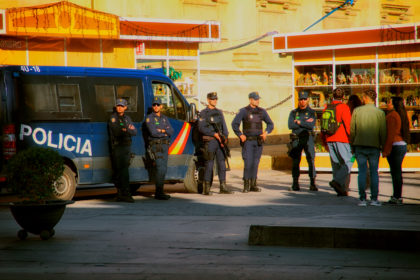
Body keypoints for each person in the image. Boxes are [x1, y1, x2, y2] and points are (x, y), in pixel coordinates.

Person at [231, 91, 274, 192]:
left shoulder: (262, 111)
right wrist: (240, 134)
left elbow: (270, 124)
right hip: (248, 142)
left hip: (258, 142)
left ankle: (253, 184)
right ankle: (246, 185)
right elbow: (234, 124)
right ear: (250, 100)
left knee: (255, 163)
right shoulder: (243, 111)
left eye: (258, 99)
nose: (257, 101)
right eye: (255, 99)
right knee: (248, 163)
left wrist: (266, 132)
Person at [350, 89, 386, 206]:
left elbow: (353, 130)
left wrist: (352, 145)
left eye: (362, 97)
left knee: (362, 172)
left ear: (365, 98)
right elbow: (383, 132)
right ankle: (374, 199)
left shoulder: (357, 111)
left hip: (359, 145)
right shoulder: (380, 113)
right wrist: (383, 145)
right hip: (374, 146)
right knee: (374, 172)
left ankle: (362, 199)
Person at [198, 92, 232, 195]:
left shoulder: (219, 112)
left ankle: (223, 186)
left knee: (222, 163)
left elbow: (224, 127)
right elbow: (201, 128)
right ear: (208, 100)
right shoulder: (203, 113)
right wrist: (214, 134)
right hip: (210, 141)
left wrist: (225, 138)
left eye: (216, 99)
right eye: (213, 99)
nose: (215, 101)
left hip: (220, 141)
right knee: (209, 164)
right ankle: (207, 188)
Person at [321, 88, 352, 196]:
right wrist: (353, 138)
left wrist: (324, 141)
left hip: (329, 139)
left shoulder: (326, 108)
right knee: (348, 162)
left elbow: (323, 126)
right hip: (342, 139)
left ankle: (341, 190)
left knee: (336, 164)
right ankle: (337, 181)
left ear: (332, 96)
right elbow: (348, 126)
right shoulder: (344, 107)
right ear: (343, 97)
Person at [287, 90, 318, 191]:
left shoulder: (312, 112)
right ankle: (295, 183)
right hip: (296, 138)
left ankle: (312, 183)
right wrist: (304, 122)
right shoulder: (293, 112)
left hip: (308, 138)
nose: (303, 101)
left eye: (305, 99)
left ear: (308, 100)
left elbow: (311, 125)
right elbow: (290, 125)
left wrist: (300, 122)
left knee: (311, 160)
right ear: (298, 100)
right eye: (301, 99)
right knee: (296, 161)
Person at [108, 98, 137, 203]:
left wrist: (126, 129)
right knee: (122, 172)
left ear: (125, 107)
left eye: (121, 106)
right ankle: (125, 194)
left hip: (126, 147)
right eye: (118, 106)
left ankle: (121, 194)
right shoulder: (113, 118)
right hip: (118, 148)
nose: (119, 107)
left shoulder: (127, 118)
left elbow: (135, 131)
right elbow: (117, 132)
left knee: (123, 171)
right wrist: (127, 129)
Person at [382, 96, 410, 205]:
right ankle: (397, 195)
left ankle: (397, 196)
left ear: (394, 104)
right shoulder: (402, 114)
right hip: (401, 144)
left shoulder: (392, 116)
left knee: (395, 172)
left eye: (389, 103)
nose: (387, 104)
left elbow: (390, 135)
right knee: (397, 171)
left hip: (395, 145)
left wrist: (386, 150)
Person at [145, 96, 174, 200]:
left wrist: (161, 130)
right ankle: (159, 192)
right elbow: (153, 132)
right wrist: (164, 131)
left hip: (165, 145)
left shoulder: (164, 118)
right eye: (154, 104)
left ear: (161, 106)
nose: (156, 106)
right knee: (160, 168)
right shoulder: (149, 118)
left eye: (158, 104)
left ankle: (160, 191)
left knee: (163, 168)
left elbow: (171, 131)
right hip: (156, 146)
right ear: (152, 106)